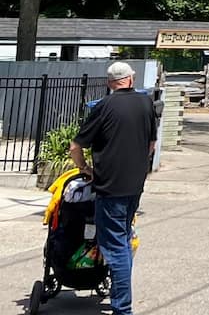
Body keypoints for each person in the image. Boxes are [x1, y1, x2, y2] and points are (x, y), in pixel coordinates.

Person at [69, 61, 157, 315]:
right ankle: (121, 298)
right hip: (135, 183)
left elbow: (76, 146)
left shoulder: (103, 106)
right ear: (131, 79)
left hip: (110, 185)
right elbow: (151, 143)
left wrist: (84, 167)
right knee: (124, 240)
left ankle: (123, 308)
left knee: (116, 246)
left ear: (110, 83)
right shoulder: (146, 103)